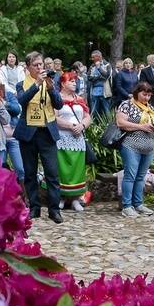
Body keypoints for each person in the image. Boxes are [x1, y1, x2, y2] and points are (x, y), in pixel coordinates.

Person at [15, 51, 64, 223]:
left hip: (47, 132)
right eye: (35, 65)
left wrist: (51, 89)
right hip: (28, 133)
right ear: (28, 67)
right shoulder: (22, 84)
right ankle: (34, 207)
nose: (39, 68)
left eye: (41, 64)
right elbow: (22, 100)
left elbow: (59, 104)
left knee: (52, 172)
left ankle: (54, 209)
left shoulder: (50, 82)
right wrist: (36, 84)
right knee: (30, 173)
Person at [116, 82, 154, 218]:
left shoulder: (150, 108)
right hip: (131, 145)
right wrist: (141, 127)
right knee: (130, 175)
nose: (146, 98)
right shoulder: (127, 105)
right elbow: (121, 123)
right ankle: (127, 205)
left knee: (141, 177)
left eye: (149, 95)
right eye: (144, 94)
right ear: (137, 93)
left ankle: (138, 203)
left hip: (148, 147)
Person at [54, 72, 91, 211]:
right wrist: (71, 126)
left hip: (77, 138)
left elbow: (88, 116)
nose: (74, 84)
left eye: (75, 81)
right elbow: (54, 118)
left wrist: (82, 126)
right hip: (62, 137)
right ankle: (62, 197)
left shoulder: (79, 99)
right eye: (71, 81)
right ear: (63, 83)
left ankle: (76, 198)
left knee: (77, 167)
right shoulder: (57, 99)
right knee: (62, 168)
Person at [87, 50, 112, 118]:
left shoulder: (107, 65)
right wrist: (99, 77)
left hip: (105, 93)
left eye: (93, 57)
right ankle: (93, 127)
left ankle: (108, 127)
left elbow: (106, 76)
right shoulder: (92, 66)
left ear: (99, 57)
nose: (92, 59)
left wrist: (98, 68)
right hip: (94, 93)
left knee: (107, 112)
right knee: (93, 112)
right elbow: (89, 78)